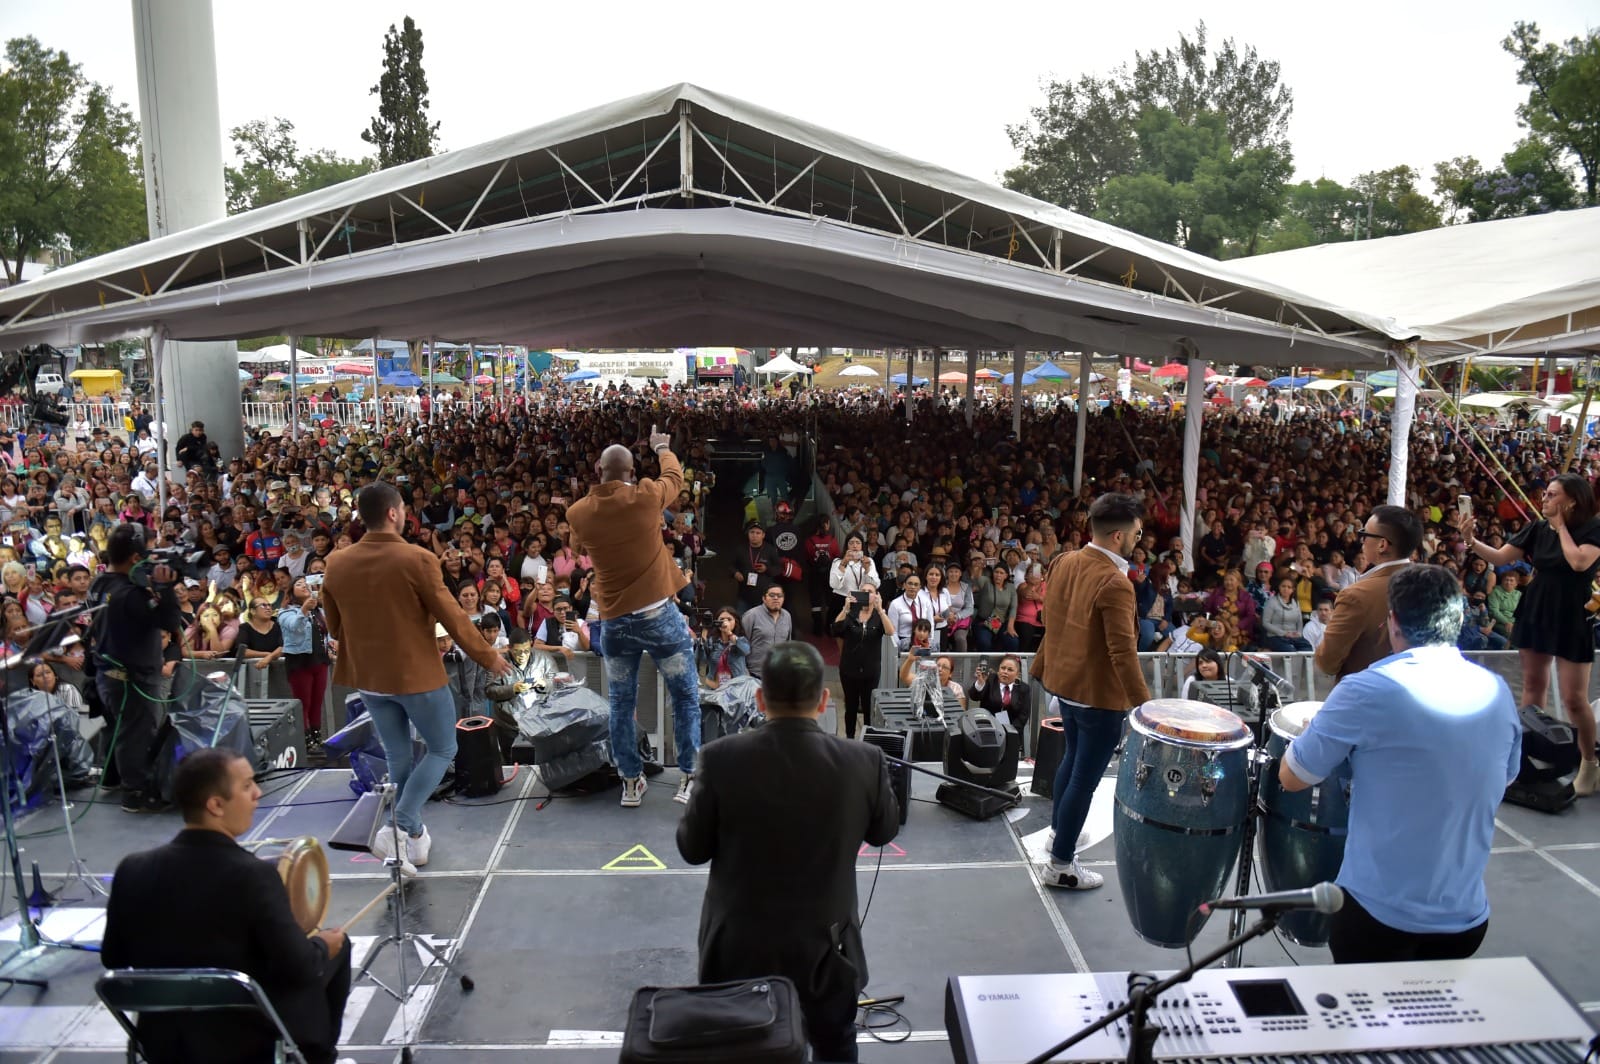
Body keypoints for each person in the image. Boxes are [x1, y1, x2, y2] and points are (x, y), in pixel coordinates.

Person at [1279, 565, 1521, 964]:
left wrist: (1318, 731)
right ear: (1459, 619)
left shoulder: (1365, 689)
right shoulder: (1497, 689)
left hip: (1377, 919)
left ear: (1391, 622)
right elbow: (1505, 777)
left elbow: (1292, 777)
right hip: (1465, 920)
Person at [677, 642, 899, 1064]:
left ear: (760, 699)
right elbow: (885, 830)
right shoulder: (865, 760)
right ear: (824, 700)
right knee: (834, 1047)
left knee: (741, 1051)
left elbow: (692, 849)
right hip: (826, 952)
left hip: (737, 952)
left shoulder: (719, 758)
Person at [103, 748, 352, 1064]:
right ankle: (318, 1057)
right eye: (247, 786)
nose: (258, 793)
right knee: (337, 947)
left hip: (165, 1039)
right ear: (215, 805)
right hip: (246, 1040)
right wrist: (321, 944)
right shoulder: (254, 875)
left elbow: (114, 956)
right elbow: (299, 966)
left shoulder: (132, 869)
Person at [322, 482, 510, 875]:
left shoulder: (337, 562)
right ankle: (400, 823)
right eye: (404, 507)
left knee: (399, 755)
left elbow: (335, 626)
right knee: (444, 750)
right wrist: (487, 655)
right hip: (415, 675)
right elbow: (454, 616)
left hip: (369, 677)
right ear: (393, 513)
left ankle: (415, 838)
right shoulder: (418, 558)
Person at [566, 429, 703, 808]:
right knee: (686, 697)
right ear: (630, 471)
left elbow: (577, 546)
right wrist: (661, 447)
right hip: (658, 617)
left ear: (599, 470)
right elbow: (674, 478)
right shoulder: (644, 497)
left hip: (613, 624)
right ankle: (689, 776)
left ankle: (630, 780)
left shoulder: (578, 511)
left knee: (622, 705)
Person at [1031, 493, 1150, 890]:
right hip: (1098, 697)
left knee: (1071, 764)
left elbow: (1051, 619)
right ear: (1118, 536)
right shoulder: (1116, 583)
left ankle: (1057, 833)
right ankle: (1060, 864)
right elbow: (1123, 652)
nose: (1140, 536)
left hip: (1065, 685)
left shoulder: (1064, 560)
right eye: (1136, 531)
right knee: (1084, 778)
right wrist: (1144, 708)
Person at [1464, 472, 1600, 795]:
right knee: (1533, 685)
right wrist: (1471, 541)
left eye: (1553, 495)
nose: (1545, 500)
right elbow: (1499, 557)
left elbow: (1579, 563)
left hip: (1572, 614)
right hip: (1538, 608)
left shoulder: (1593, 528)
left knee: (1573, 698)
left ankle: (1589, 763)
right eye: (1546, 494)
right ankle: (1530, 752)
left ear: (1571, 501)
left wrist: (1561, 527)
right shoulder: (1537, 529)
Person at [88, 523, 185, 814]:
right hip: (132, 678)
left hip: (107, 674)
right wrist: (166, 589)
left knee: (118, 728)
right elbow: (169, 622)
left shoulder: (100, 584)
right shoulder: (131, 595)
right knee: (136, 733)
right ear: (134, 558)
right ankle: (135, 792)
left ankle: (111, 777)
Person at [1315, 504, 1422, 682]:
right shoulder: (1434, 584)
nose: (1361, 541)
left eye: (1364, 534)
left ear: (1382, 544)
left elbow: (1327, 662)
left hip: (1365, 699)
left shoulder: (1357, 595)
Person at [834, 588, 890, 739]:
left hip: (870, 670)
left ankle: (867, 739)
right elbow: (836, 629)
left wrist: (880, 609)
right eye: (863, 591)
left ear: (876, 595)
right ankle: (850, 738)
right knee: (850, 706)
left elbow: (890, 631)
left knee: (868, 707)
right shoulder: (851, 613)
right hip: (849, 668)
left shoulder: (878, 616)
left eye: (870, 591)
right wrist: (845, 608)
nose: (866, 594)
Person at [968, 653, 1030, 734]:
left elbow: (1023, 716)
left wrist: (1010, 732)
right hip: (987, 729)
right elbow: (974, 696)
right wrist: (980, 683)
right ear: (998, 669)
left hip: (1012, 732)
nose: (1005, 672)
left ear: (1017, 674)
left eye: (1010, 670)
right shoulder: (990, 680)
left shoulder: (1023, 688)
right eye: (1003, 668)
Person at [741, 584, 793, 679]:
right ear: (764, 598)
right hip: (754, 675)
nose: (776, 598)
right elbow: (740, 646)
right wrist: (744, 673)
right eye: (772, 595)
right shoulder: (751, 615)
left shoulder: (787, 616)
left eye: (779, 596)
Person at [731, 520, 783, 612]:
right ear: (748, 534)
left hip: (764, 596)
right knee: (741, 622)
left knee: (763, 623)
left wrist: (766, 569)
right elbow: (731, 566)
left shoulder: (770, 550)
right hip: (744, 595)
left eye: (758, 533)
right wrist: (735, 573)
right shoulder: (741, 549)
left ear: (763, 535)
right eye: (752, 532)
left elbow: (779, 568)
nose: (754, 535)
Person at [1261, 575, 1313, 652]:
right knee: (1290, 651)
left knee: (1307, 648)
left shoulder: (1296, 603)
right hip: (1275, 636)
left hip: (1294, 636)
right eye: (1283, 586)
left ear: (1293, 590)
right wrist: (1284, 633)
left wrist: (1299, 633)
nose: (1286, 589)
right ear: (1279, 587)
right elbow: (1265, 623)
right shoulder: (1272, 602)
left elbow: (1299, 622)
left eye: (1289, 587)